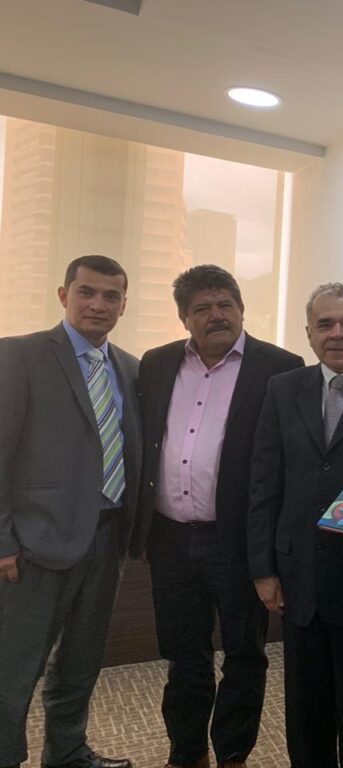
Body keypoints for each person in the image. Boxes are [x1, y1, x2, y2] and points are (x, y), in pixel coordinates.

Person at [136, 265, 303, 768]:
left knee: (244, 655)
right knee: (183, 655)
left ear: (242, 309)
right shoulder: (157, 363)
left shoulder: (281, 367)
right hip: (170, 539)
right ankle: (187, 753)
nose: (217, 315)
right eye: (203, 308)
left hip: (239, 541)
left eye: (225, 304)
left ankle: (233, 753)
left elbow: (285, 461)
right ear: (184, 318)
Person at [248, 283, 343, 768]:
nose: (337, 334)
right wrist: (263, 568)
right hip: (299, 580)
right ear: (309, 332)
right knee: (306, 718)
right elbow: (265, 481)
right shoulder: (283, 388)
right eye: (325, 324)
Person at [0, 255, 141, 768]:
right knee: (14, 666)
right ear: (64, 295)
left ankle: (67, 751)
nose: (98, 304)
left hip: (107, 538)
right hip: (34, 544)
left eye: (110, 296)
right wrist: (2, 541)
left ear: (123, 305)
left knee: (81, 661)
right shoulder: (18, 355)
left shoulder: (131, 368)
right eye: (86, 292)